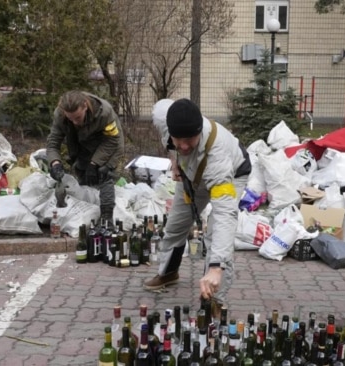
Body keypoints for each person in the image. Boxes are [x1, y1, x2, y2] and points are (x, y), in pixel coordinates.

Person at [144, 98, 251, 316]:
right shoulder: (167, 121)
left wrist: (216, 267)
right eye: (178, 140)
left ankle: (215, 299)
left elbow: (224, 215)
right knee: (175, 225)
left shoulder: (218, 157)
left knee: (215, 236)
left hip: (231, 174)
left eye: (189, 140)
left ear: (199, 132)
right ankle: (169, 272)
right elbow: (172, 143)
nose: (183, 146)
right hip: (192, 176)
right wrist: (175, 162)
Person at [46, 91, 124, 222]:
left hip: (109, 145)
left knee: (103, 176)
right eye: (70, 119)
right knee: (84, 178)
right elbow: (53, 142)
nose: (75, 122)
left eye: (77, 117)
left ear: (85, 106)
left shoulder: (104, 113)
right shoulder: (60, 115)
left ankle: (107, 218)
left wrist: (95, 164)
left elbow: (112, 141)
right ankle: (87, 217)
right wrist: (55, 163)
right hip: (82, 145)